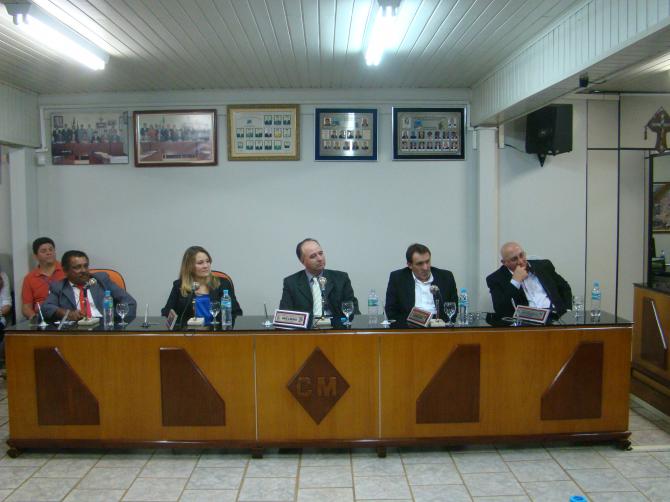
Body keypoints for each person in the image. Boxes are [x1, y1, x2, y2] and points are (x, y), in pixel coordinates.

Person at [42, 250, 137, 323]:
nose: (83, 270)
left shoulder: (101, 280)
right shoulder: (59, 287)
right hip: (76, 331)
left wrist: (115, 322)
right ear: (65, 270)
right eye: (77, 267)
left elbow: (130, 302)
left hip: (104, 327)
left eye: (85, 266)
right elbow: (46, 308)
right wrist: (67, 314)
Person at [279, 238, 358, 322]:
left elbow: (352, 310)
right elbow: (285, 316)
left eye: (321, 253)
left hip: (336, 328)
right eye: (313, 256)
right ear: (302, 261)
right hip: (307, 329)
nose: (320, 259)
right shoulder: (291, 283)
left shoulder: (341, 278)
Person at [486, 241, 572, 318]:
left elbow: (564, 287)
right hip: (526, 321)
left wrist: (567, 312)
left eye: (521, 255)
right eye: (514, 259)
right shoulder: (495, 279)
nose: (520, 261)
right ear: (504, 262)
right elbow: (500, 309)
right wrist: (515, 282)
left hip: (555, 315)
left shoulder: (544, 266)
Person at [161, 246, 242, 327]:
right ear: (189, 267)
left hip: (217, 331)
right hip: (189, 332)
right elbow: (166, 313)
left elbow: (236, 312)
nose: (206, 266)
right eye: (200, 263)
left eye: (208, 261)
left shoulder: (223, 284)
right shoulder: (179, 286)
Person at [385, 243, 458, 323]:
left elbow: (453, 310)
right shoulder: (398, 278)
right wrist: (419, 321)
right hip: (410, 327)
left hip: (439, 326)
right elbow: (391, 312)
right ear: (410, 265)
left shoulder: (446, 277)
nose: (425, 267)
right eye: (420, 264)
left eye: (427, 261)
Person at [20, 237, 66, 320]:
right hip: (42, 318)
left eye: (51, 250)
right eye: (43, 251)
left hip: (66, 315)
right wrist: (35, 319)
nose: (48, 253)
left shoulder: (66, 271)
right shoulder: (29, 278)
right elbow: (26, 308)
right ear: (36, 256)